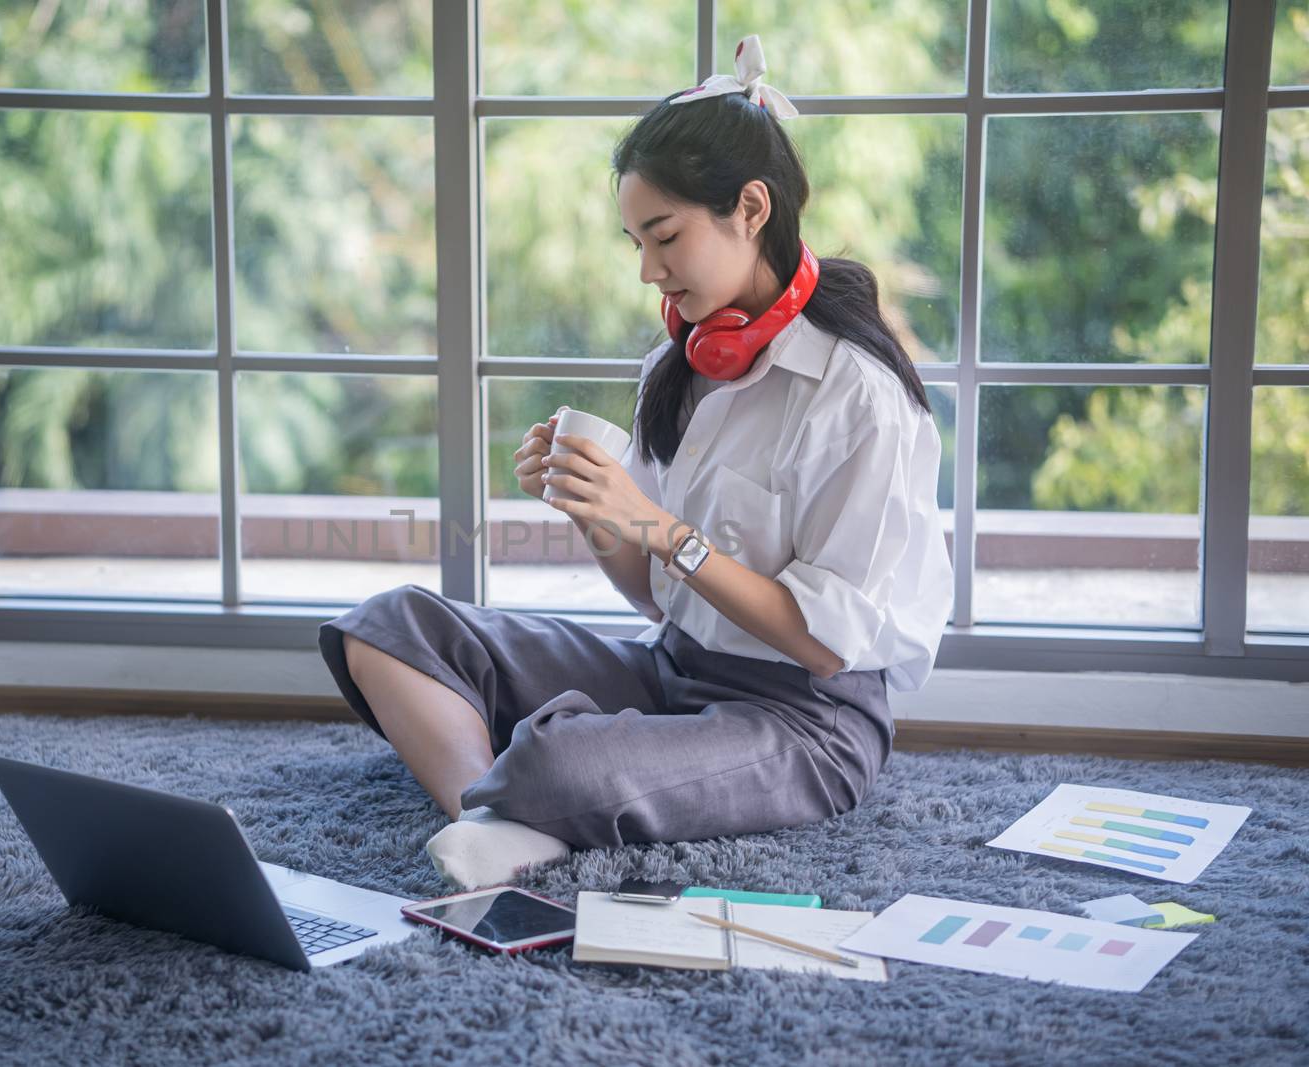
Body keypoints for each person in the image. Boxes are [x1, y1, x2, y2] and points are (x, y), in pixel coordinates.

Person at [318, 35, 953, 890]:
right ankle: (489, 815)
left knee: (555, 761)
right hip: (674, 665)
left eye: (664, 236)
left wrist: (655, 523)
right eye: (635, 242)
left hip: (807, 722)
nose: (648, 270)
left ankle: (526, 801)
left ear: (751, 210)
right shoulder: (679, 366)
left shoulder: (857, 394)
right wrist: (598, 513)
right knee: (391, 627)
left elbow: (826, 646)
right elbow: (659, 593)